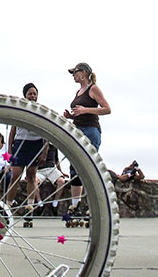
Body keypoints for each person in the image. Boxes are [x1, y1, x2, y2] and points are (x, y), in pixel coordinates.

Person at [63, 63, 110, 213]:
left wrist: (85, 110)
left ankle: (94, 205)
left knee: (89, 165)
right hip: (77, 129)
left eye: (75, 73)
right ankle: (75, 205)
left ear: (84, 72)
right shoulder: (79, 91)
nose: (74, 76)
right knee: (75, 166)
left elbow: (107, 109)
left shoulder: (93, 88)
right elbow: (80, 112)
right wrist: (71, 116)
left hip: (90, 130)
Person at [5, 83, 45, 209]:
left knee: (31, 176)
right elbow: (13, 131)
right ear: (25, 95)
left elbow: (46, 133)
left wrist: (44, 151)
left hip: (36, 144)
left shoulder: (41, 110)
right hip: (20, 143)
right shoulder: (20, 109)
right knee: (15, 175)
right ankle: (8, 205)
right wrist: (10, 150)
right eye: (30, 94)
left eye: (34, 94)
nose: (32, 96)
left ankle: (30, 207)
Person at [35, 142, 68, 216]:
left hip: (51, 169)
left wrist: (61, 172)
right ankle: (40, 203)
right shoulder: (37, 146)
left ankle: (55, 203)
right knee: (34, 182)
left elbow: (56, 160)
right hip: (39, 170)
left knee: (61, 181)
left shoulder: (53, 146)